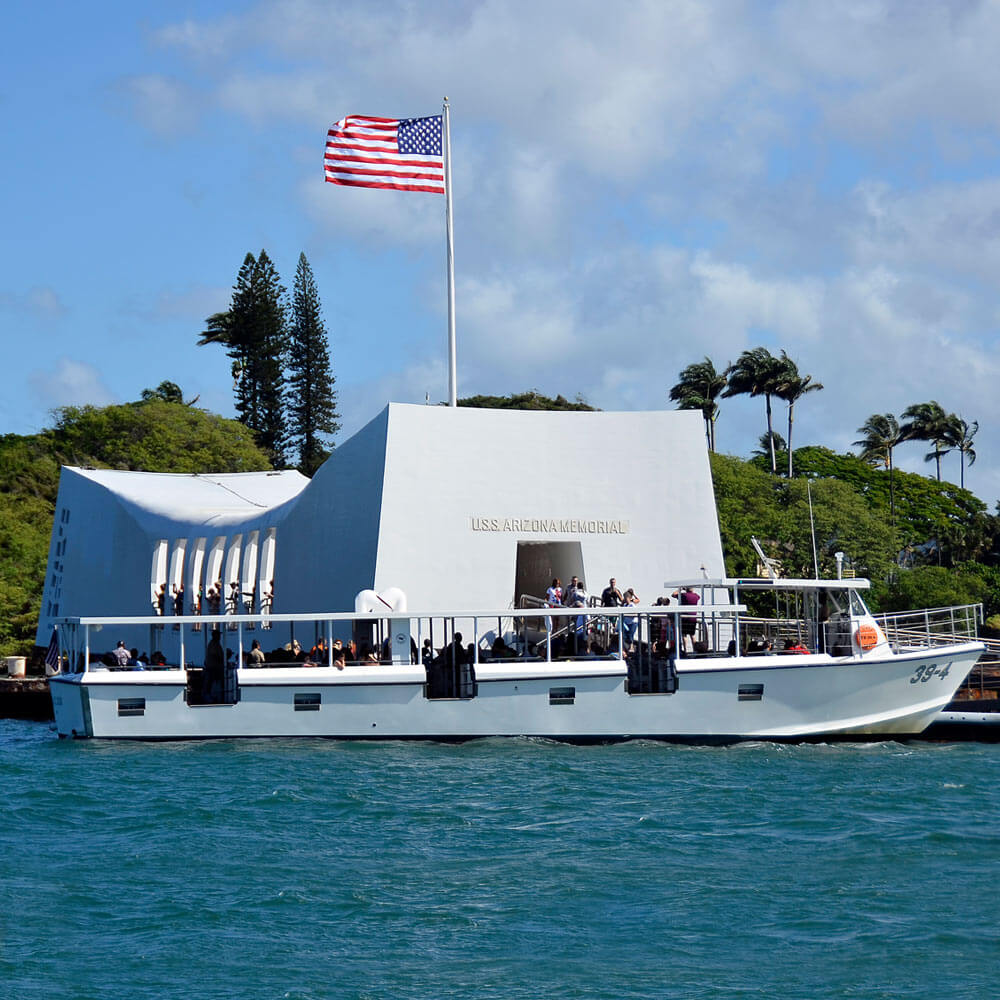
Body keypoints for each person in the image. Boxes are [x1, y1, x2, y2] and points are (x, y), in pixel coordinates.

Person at [203, 629, 225, 701]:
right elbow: (214, 654)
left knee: (214, 682)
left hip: (214, 667)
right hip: (213, 667)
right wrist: (221, 659)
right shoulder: (213, 644)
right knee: (212, 682)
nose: (219, 637)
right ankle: (211, 697)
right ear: (214, 636)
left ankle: (215, 695)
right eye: (218, 635)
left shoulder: (216, 644)